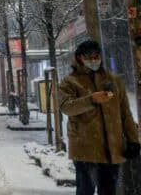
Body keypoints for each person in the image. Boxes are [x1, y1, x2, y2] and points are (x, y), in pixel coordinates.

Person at [59, 40, 140, 195]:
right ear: (79, 58)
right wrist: (91, 100)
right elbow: (67, 107)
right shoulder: (70, 82)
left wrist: (133, 140)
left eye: (96, 56)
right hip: (85, 149)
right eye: (89, 57)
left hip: (112, 148)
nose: (94, 60)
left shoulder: (113, 80)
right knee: (85, 191)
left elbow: (125, 113)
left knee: (109, 190)